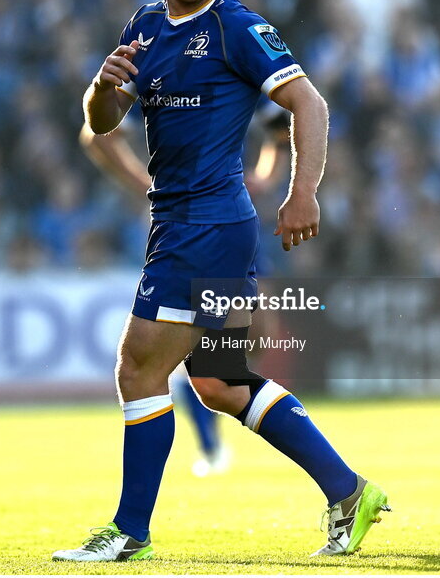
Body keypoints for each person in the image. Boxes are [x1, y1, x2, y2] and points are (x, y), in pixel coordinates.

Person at [52, 0, 389, 563]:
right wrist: (101, 86)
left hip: (205, 227)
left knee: (138, 366)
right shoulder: (146, 27)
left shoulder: (237, 26)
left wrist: (303, 193)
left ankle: (129, 530)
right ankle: (350, 492)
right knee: (217, 381)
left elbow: (308, 102)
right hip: (185, 223)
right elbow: (103, 120)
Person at [79, 100, 290, 478]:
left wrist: (266, 177)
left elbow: (283, 127)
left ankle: (202, 399)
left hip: (233, 219)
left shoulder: (238, 63)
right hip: (182, 224)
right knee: (197, 345)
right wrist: (146, 186)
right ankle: (208, 436)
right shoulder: (154, 66)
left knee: (256, 338)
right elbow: (98, 135)